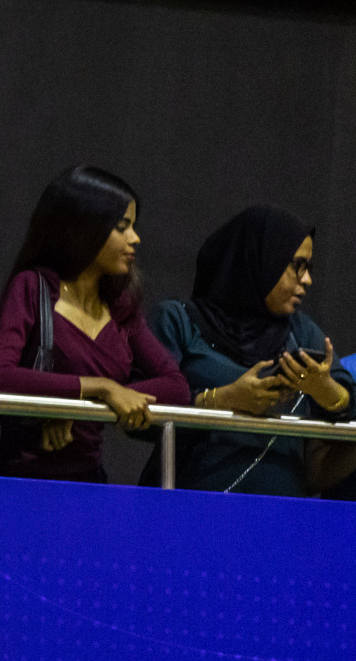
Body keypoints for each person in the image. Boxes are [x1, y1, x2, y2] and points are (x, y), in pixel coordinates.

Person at [0, 166, 189, 483]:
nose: (136, 238)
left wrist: (75, 407)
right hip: (19, 483)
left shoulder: (120, 307)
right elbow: (0, 377)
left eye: (133, 226)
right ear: (83, 227)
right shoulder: (32, 287)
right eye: (122, 227)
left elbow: (176, 387)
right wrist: (101, 388)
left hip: (89, 483)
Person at [146, 206, 355, 496]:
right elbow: (139, 415)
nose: (307, 280)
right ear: (260, 260)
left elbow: (349, 402)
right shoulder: (178, 320)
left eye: (309, 267)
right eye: (298, 265)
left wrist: (325, 389)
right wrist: (220, 400)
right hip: (186, 509)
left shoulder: (301, 330)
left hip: (280, 520)